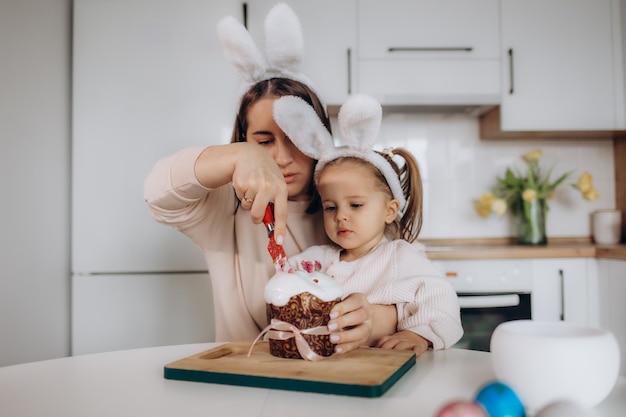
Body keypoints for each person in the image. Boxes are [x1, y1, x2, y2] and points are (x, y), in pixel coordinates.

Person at [144, 4, 398, 355]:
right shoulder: (223, 212)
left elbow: (418, 298)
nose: (279, 157)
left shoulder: (361, 206)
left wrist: (377, 318)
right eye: (263, 142)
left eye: (296, 138)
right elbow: (157, 193)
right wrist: (239, 156)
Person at [273, 94, 463, 355]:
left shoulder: (399, 257)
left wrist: (418, 334)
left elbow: (440, 298)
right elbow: (285, 283)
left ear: (389, 210)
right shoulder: (317, 259)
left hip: (376, 367)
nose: (341, 216)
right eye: (331, 207)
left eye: (356, 205)